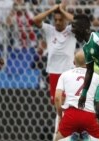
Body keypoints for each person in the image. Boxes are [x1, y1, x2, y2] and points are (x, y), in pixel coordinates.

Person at [32, 3, 76, 141]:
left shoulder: (71, 30)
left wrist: (62, 9)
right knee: (59, 106)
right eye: (55, 20)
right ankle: (61, 135)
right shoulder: (49, 29)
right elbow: (35, 20)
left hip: (68, 73)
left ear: (65, 20)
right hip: (54, 73)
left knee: (67, 105)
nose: (57, 22)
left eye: (60, 20)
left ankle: (62, 135)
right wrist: (52, 9)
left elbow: (78, 22)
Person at [54, 50, 99, 141]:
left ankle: (69, 140)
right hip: (89, 114)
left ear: (74, 62)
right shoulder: (96, 77)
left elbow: (57, 98)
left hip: (71, 114)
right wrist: (98, 118)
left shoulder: (65, 75)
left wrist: (60, 115)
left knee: (57, 139)